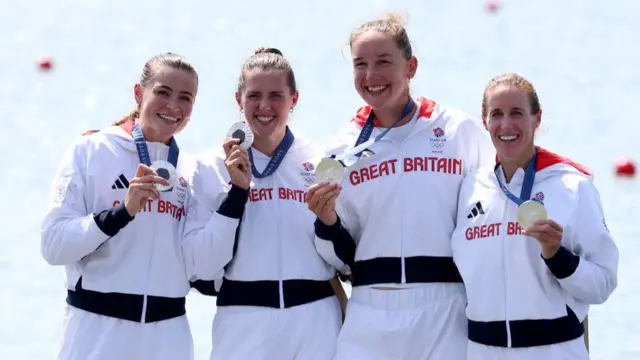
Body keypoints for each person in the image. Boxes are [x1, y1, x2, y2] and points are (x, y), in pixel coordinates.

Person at [306, 13, 495, 360]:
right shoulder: (341, 148)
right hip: (370, 309)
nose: (371, 76)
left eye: (384, 62)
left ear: (411, 67)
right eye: (360, 64)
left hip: (445, 306)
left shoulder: (457, 130)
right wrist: (327, 221)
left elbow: (492, 216)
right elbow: (338, 257)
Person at [182, 47, 344, 360]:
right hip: (244, 321)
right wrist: (236, 194)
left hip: (315, 322)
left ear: (294, 99)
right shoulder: (211, 165)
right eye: (254, 95)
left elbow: (345, 261)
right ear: (238, 100)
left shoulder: (320, 161)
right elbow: (200, 265)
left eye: (276, 96)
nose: (265, 106)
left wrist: (331, 224)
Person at [41, 52, 199, 360]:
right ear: (139, 94)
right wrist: (122, 213)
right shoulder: (91, 150)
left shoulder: (191, 171)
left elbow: (203, 265)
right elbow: (53, 245)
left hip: (169, 337)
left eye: (185, 97)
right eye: (163, 92)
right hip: (98, 334)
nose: (173, 106)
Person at [450, 73, 619, 360]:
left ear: (536, 118)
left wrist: (557, 256)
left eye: (517, 113)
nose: (506, 125)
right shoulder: (470, 186)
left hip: (552, 350)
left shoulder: (571, 186)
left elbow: (603, 284)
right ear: (484, 121)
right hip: (481, 351)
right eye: (496, 114)